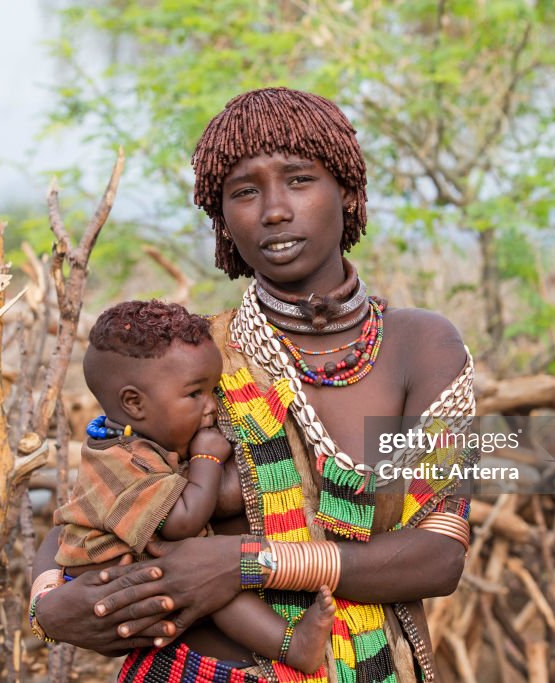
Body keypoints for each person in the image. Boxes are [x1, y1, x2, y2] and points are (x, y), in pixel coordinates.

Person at [31, 87, 477, 682]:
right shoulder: (194, 360)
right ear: (222, 220)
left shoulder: (421, 347)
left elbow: (438, 557)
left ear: (346, 191)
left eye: (299, 180)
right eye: (245, 191)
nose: (273, 210)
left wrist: (242, 563)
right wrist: (49, 603)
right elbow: (97, 502)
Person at [49, 299, 336, 674]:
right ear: (134, 403)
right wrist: (208, 459)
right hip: (118, 579)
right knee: (211, 586)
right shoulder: (125, 461)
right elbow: (182, 521)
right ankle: (292, 646)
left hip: (137, 577)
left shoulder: (129, 441)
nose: (210, 407)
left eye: (213, 391)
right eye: (194, 394)